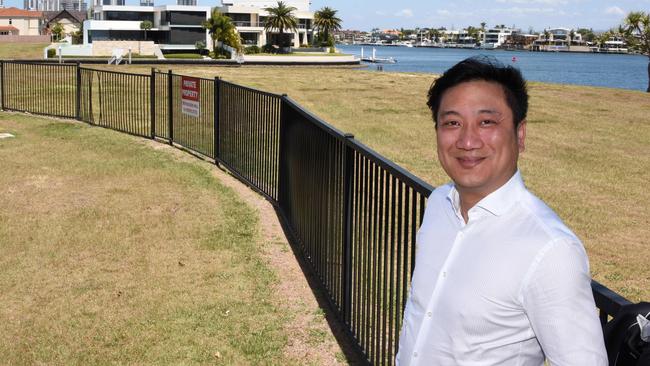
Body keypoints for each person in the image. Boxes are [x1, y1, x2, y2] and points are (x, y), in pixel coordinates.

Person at [396, 56, 608, 365]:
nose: (467, 141)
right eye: (452, 122)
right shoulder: (439, 205)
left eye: (487, 122)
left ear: (520, 135)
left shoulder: (550, 250)